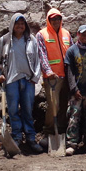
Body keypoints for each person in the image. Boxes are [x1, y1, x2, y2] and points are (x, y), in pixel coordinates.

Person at [0, 13, 43, 153]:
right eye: (17, 23)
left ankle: (31, 138)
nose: (20, 26)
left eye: (22, 24)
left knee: (28, 110)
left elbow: (38, 60)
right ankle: (17, 137)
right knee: (13, 110)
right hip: (11, 80)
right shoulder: (5, 40)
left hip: (28, 80)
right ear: (12, 25)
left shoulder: (31, 40)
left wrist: (35, 77)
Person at [36, 8, 73, 139]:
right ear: (48, 20)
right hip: (52, 78)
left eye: (58, 18)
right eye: (53, 19)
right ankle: (49, 131)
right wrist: (48, 71)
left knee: (64, 105)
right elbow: (42, 55)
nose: (56, 21)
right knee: (53, 106)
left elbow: (72, 52)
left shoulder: (66, 34)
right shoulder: (42, 34)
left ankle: (61, 131)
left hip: (66, 76)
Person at [64, 24, 86, 155]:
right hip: (76, 92)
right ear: (78, 34)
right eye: (83, 34)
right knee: (74, 116)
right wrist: (74, 88)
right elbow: (70, 71)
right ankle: (72, 143)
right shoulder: (72, 50)